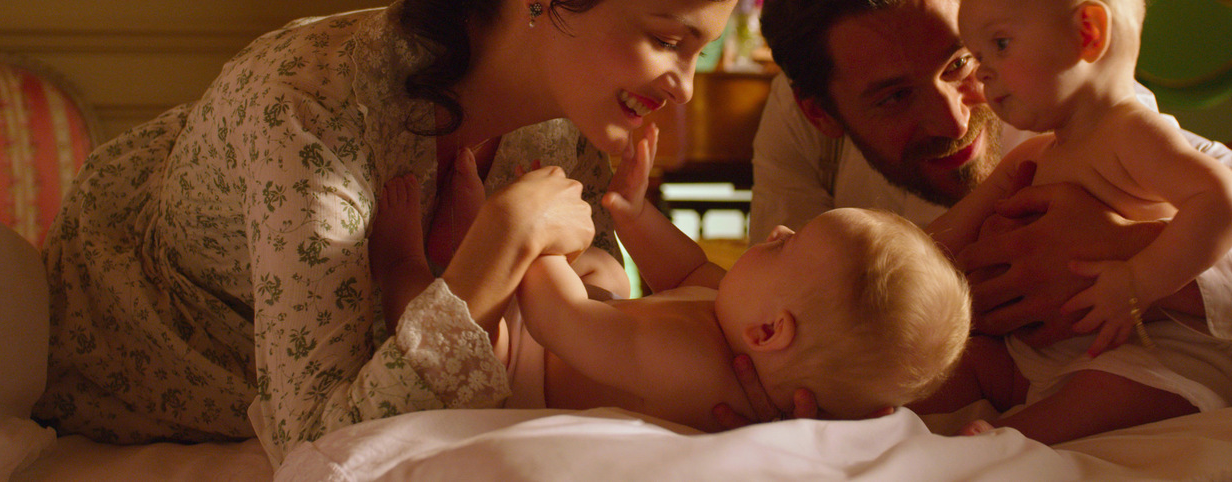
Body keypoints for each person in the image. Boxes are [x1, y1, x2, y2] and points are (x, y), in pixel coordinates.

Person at [32, 0, 760, 465]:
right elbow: (319, 451)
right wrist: (497, 246)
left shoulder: (572, 123)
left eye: (698, 50)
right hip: (132, 376)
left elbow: (575, 344)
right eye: (667, 40)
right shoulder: (312, 109)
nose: (684, 89)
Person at [745, 0, 1232, 419]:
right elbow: (860, 272)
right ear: (823, 114)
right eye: (894, 98)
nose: (954, 116)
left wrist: (1135, 261)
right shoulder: (806, 134)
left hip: (1141, 348)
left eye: (964, 62)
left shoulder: (1091, 121)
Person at [372, 123, 971, 432]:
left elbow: (562, 320)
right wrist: (634, 212)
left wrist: (530, 241)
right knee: (606, 268)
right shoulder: (738, 318)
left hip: (527, 369)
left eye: (787, 247)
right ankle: (471, 244)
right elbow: (683, 268)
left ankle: (405, 264)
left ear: (770, 332)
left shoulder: (690, 363)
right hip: (592, 332)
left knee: (473, 337)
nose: (779, 232)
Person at [918, 0, 1232, 444]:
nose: (983, 74)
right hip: (1039, 352)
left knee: (1112, 391)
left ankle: (1006, 441)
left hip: (1142, 349)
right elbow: (947, 235)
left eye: (1000, 45)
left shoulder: (1131, 132)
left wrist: (1139, 281)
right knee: (951, 365)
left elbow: (1226, 201)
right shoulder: (1036, 152)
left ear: (1089, 34)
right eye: (978, 56)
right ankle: (865, 417)